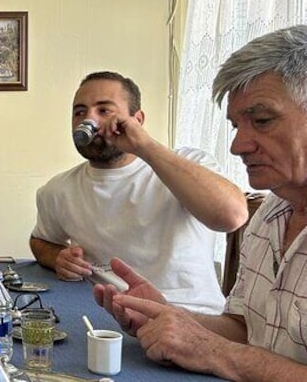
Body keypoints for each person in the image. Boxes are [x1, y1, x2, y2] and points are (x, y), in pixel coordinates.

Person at [95, 26, 307, 378]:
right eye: (236, 125)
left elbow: (231, 350)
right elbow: (246, 329)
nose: (238, 146)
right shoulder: (272, 211)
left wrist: (218, 353)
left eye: (263, 120)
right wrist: (169, 317)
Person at [29, 71, 247, 314]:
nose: (89, 120)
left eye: (104, 110)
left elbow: (232, 216)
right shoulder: (58, 190)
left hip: (191, 316)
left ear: (137, 119)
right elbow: (41, 241)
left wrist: (144, 146)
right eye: (80, 112)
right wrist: (57, 257)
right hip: (105, 317)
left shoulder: (189, 164)